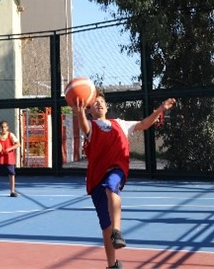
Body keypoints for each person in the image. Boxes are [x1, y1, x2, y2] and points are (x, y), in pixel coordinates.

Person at [71, 92, 175, 269]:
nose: (100, 104)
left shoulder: (120, 124)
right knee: (105, 226)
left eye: (102, 102)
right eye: (95, 103)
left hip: (116, 170)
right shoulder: (90, 125)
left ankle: (118, 232)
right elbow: (83, 126)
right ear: (90, 110)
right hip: (96, 177)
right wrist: (79, 111)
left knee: (112, 187)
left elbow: (144, 124)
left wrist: (160, 109)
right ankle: (112, 264)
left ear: (107, 106)